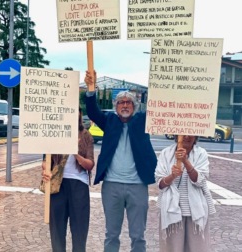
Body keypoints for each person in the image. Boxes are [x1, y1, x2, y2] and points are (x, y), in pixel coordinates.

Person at [84, 71, 157, 252]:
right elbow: (93, 111)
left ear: (135, 106)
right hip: (112, 186)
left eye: (129, 103)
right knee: (111, 234)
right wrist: (91, 90)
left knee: (138, 235)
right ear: (116, 106)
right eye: (121, 103)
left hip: (137, 185)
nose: (125, 105)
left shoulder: (142, 121)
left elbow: (159, 109)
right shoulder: (109, 121)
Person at [42, 107, 95, 252]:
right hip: (58, 185)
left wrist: (76, 153)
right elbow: (45, 163)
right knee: (57, 229)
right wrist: (46, 172)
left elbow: (90, 164)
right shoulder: (55, 134)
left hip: (79, 185)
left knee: (79, 229)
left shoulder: (86, 136)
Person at [155, 135, 215, 252]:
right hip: (171, 210)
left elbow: (200, 181)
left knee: (197, 248)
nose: (187, 137)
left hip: (196, 210)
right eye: (183, 133)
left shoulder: (201, 153)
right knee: (172, 248)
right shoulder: (166, 153)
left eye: (190, 133)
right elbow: (160, 184)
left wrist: (185, 161)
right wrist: (172, 176)